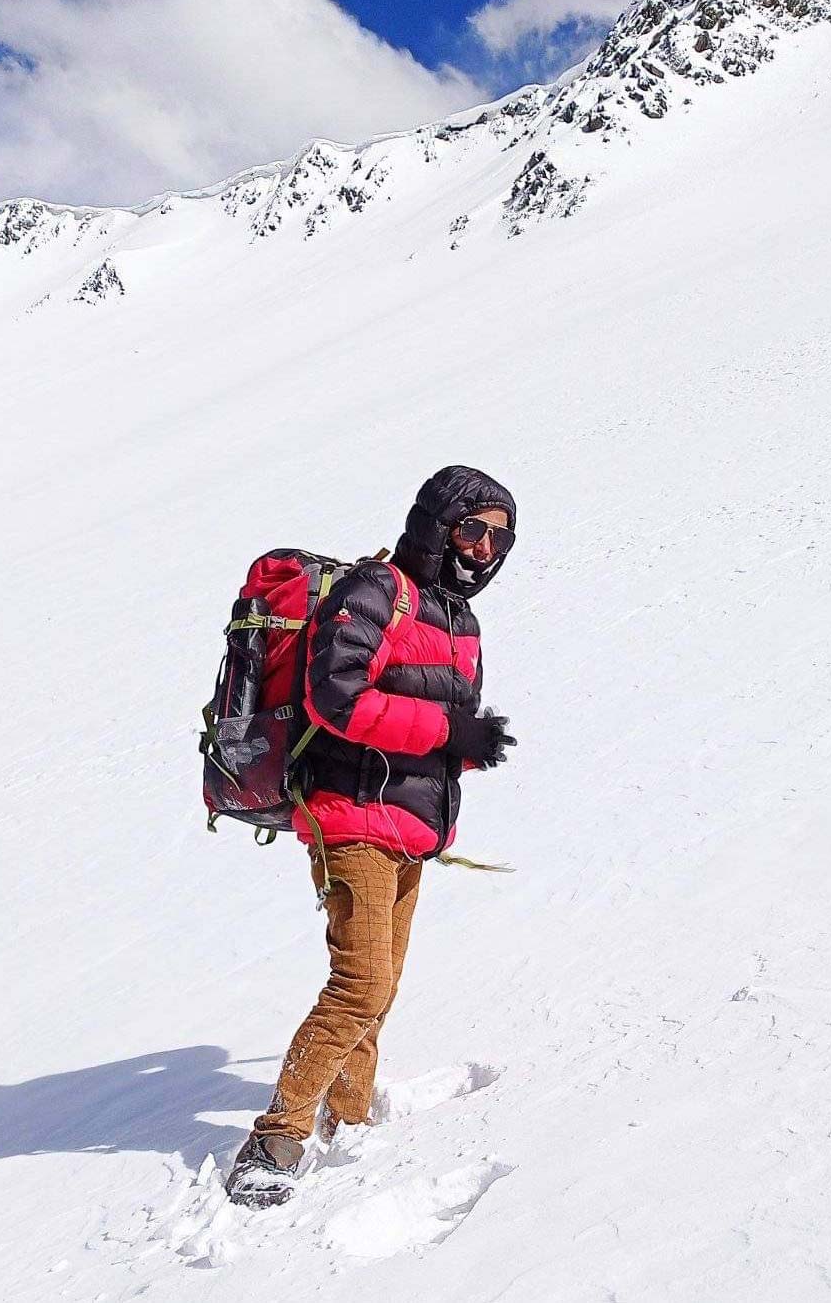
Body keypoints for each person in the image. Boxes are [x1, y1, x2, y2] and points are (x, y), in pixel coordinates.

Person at [226, 465, 517, 1208]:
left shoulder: (458, 619)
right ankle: (276, 1136)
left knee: (378, 987)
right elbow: (336, 698)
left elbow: (414, 721)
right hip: (349, 815)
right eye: (472, 529)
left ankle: (348, 1116)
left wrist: (465, 746)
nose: (483, 548)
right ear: (435, 523)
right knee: (359, 985)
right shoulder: (376, 592)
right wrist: (454, 731)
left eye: (498, 538)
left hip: (407, 824)